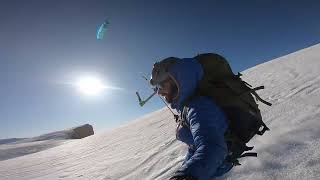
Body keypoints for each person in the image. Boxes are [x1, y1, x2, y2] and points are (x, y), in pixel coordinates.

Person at [150, 57, 234, 180]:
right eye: (156, 87)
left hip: (212, 166)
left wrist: (185, 176)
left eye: (161, 85)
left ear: (176, 80)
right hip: (201, 160)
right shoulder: (189, 105)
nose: (159, 92)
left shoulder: (199, 106)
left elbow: (213, 147)